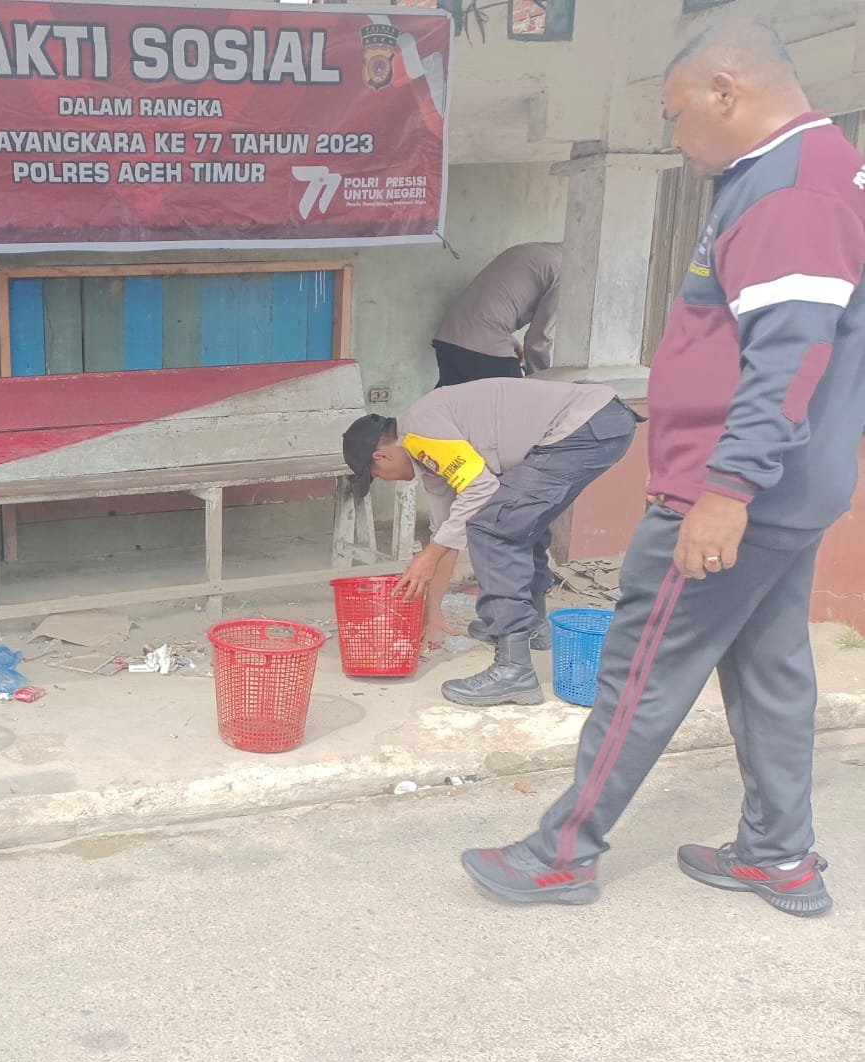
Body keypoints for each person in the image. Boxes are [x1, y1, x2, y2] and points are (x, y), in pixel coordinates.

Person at [462, 20, 865, 917]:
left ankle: (561, 854)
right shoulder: (809, 167)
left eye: (679, 117)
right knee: (767, 666)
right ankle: (778, 855)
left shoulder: (788, 191)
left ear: (727, 90)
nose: (677, 142)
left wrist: (722, 493)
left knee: (642, 667)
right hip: (788, 486)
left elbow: (787, 358)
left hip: (734, 491)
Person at [343, 379, 638, 706]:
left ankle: (515, 671)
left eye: (378, 476)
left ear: (381, 456)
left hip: (585, 427)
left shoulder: (418, 432)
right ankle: (534, 625)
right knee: (518, 518)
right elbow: (447, 533)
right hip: (601, 423)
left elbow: (479, 493)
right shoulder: (428, 458)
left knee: (491, 526)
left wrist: (427, 556)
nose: (386, 480)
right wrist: (432, 612)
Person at [433, 242, 561, 385]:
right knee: (515, 405)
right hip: (483, 350)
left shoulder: (535, 250)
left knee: (449, 405)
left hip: (449, 338)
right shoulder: (569, 272)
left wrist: (511, 342)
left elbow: (490, 303)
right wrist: (543, 384)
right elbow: (536, 341)